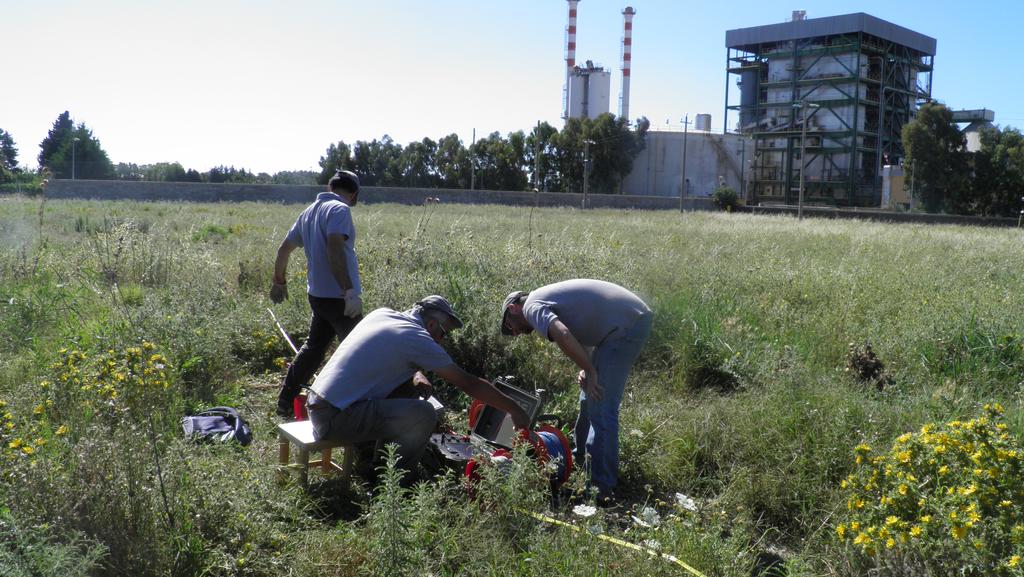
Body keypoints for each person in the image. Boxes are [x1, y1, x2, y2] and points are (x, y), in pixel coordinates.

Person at [307, 295, 532, 485]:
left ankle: (377, 462)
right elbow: (468, 383)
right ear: (432, 325)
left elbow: (383, 355)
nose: (441, 341)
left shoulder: (384, 315)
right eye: (443, 334)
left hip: (321, 405)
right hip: (334, 419)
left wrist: (416, 374)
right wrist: (514, 409)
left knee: (412, 392)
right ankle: (393, 483)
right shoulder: (416, 337)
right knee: (424, 413)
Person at [500, 279, 652, 502]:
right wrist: (587, 366)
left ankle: (601, 488)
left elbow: (562, 334)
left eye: (509, 326)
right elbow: (585, 326)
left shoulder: (532, 305)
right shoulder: (545, 299)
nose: (514, 333)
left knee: (600, 404)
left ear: (513, 308)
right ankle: (581, 459)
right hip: (620, 323)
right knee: (587, 397)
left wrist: (590, 369)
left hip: (627, 325)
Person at [269, 170, 364, 418]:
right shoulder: (340, 210)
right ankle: (351, 409)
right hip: (338, 298)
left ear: (329, 186)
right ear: (353, 194)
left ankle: (285, 402)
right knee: (360, 352)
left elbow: (283, 249)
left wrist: (279, 281)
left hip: (318, 296)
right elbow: (335, 247)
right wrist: (349, 291)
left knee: (313, 348)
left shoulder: (309, 211)